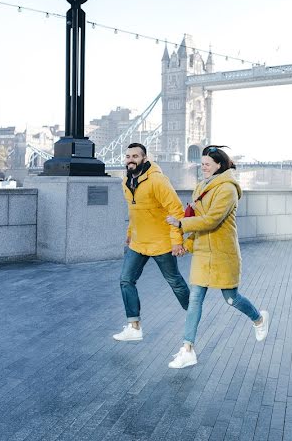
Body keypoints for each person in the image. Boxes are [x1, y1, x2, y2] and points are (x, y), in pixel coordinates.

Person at [165, 145, 268, 368]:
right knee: (195, 300)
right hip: (203, 254)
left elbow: (211, 220)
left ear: (219, 165)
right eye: (201, 164)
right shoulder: (201, 187)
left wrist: (181, 224)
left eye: (207, 164)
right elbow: (200, 224)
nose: (203, 167)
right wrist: (186, 244)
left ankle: (259, 319)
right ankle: (187, 349)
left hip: (223, 254)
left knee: (231, 299)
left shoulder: (228, 189)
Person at [112, 143, 190, 342]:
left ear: (144, 159)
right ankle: (134, 326)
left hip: (161, 242)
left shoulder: (158, 180)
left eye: (135, 156)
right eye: (128, 156)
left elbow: (176, 210)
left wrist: (176, 241)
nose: (130, 159)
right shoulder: (126, 181)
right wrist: (130, 233)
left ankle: (193, 312)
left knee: (175, 281)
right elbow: (134, 211)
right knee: (126, 280)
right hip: (138, 242)